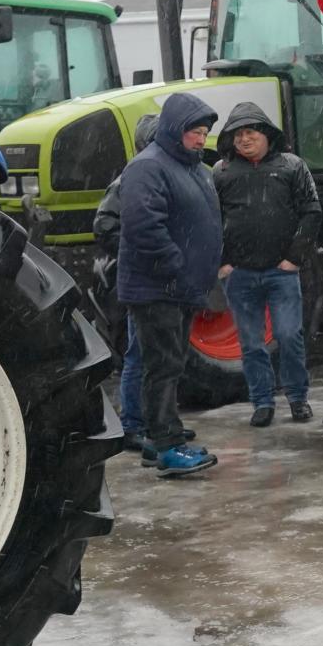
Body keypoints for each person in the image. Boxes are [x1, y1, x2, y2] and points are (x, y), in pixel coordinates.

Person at [116, 91, 225, 479]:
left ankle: (159, 438)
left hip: (180, 288)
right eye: (195, 132)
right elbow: (144, 227)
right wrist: (178, 268)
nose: (201, 139)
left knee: (170, 364)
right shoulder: (149, 167)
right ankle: (167, 446)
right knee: (162, 366)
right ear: (175, 129)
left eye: (205, 133)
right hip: (157, 288)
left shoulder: (192, 167)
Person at [212, 101, 322, 428]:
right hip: (240, 275)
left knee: (289, 336)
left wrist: (294, 258)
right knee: (251, 343)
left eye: (251, 133)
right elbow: (210, 219)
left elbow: (311, 211)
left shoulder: (292, 166)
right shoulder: (221, 172)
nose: (244, 139)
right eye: (238, 134)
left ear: (267, 135)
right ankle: (262, 402)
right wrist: (223, 262)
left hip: (281, 272)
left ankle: (298, 398)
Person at [93, 114, 194, 464]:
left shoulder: (164, 176)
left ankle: (161, 423)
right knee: (141, 355)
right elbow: (104, 225)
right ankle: (135, 423)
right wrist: (144, 251)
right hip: (143, 281)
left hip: (164, 281)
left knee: (163, 357)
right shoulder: (130, 180)